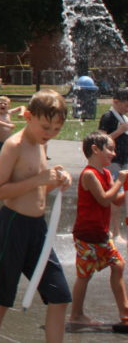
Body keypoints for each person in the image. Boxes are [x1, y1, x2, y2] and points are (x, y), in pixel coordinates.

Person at [0, 89, 71, 343]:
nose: (50, 133)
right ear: (28, 117)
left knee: (60, 296)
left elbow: (38, 188)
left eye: (57, 129)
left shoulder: (41, 143)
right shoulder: (14, 146)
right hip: (12, 225)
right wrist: (39, 179)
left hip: (37, 229)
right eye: (46, 127)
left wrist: (57, 181)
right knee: (0, 300)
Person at [69, 131, 128, 328]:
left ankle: (125, 314)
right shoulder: (89, 174)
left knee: (118, 265)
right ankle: (76, 315)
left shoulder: (106, 173)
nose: (114, 153)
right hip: (87, 234)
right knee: (85, 275)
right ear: (95, 149)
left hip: (101, 234)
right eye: (110, 149)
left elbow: (115, 201)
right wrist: (120, 181)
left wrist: (125, 189)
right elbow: (103, 199)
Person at [98, 88, 128, 240]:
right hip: (113, 162)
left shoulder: (123, 118)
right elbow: (100, 141)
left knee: (124, 196)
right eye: (126, 105)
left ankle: (117, 230)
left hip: (124, 161)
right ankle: (114, 231)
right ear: (116, 102)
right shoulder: (108, 117)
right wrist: (119, 131)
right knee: (115, 196)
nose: (127, 109)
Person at [0, 96, 24, 170]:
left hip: (7, 143)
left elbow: (22, 107)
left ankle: (7, 174)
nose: (3, 105)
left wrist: (21, 113)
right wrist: (8, 125)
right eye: (0, 103)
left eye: (5, 104)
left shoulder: (9, 113)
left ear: (9, 106)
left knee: (8, 161)